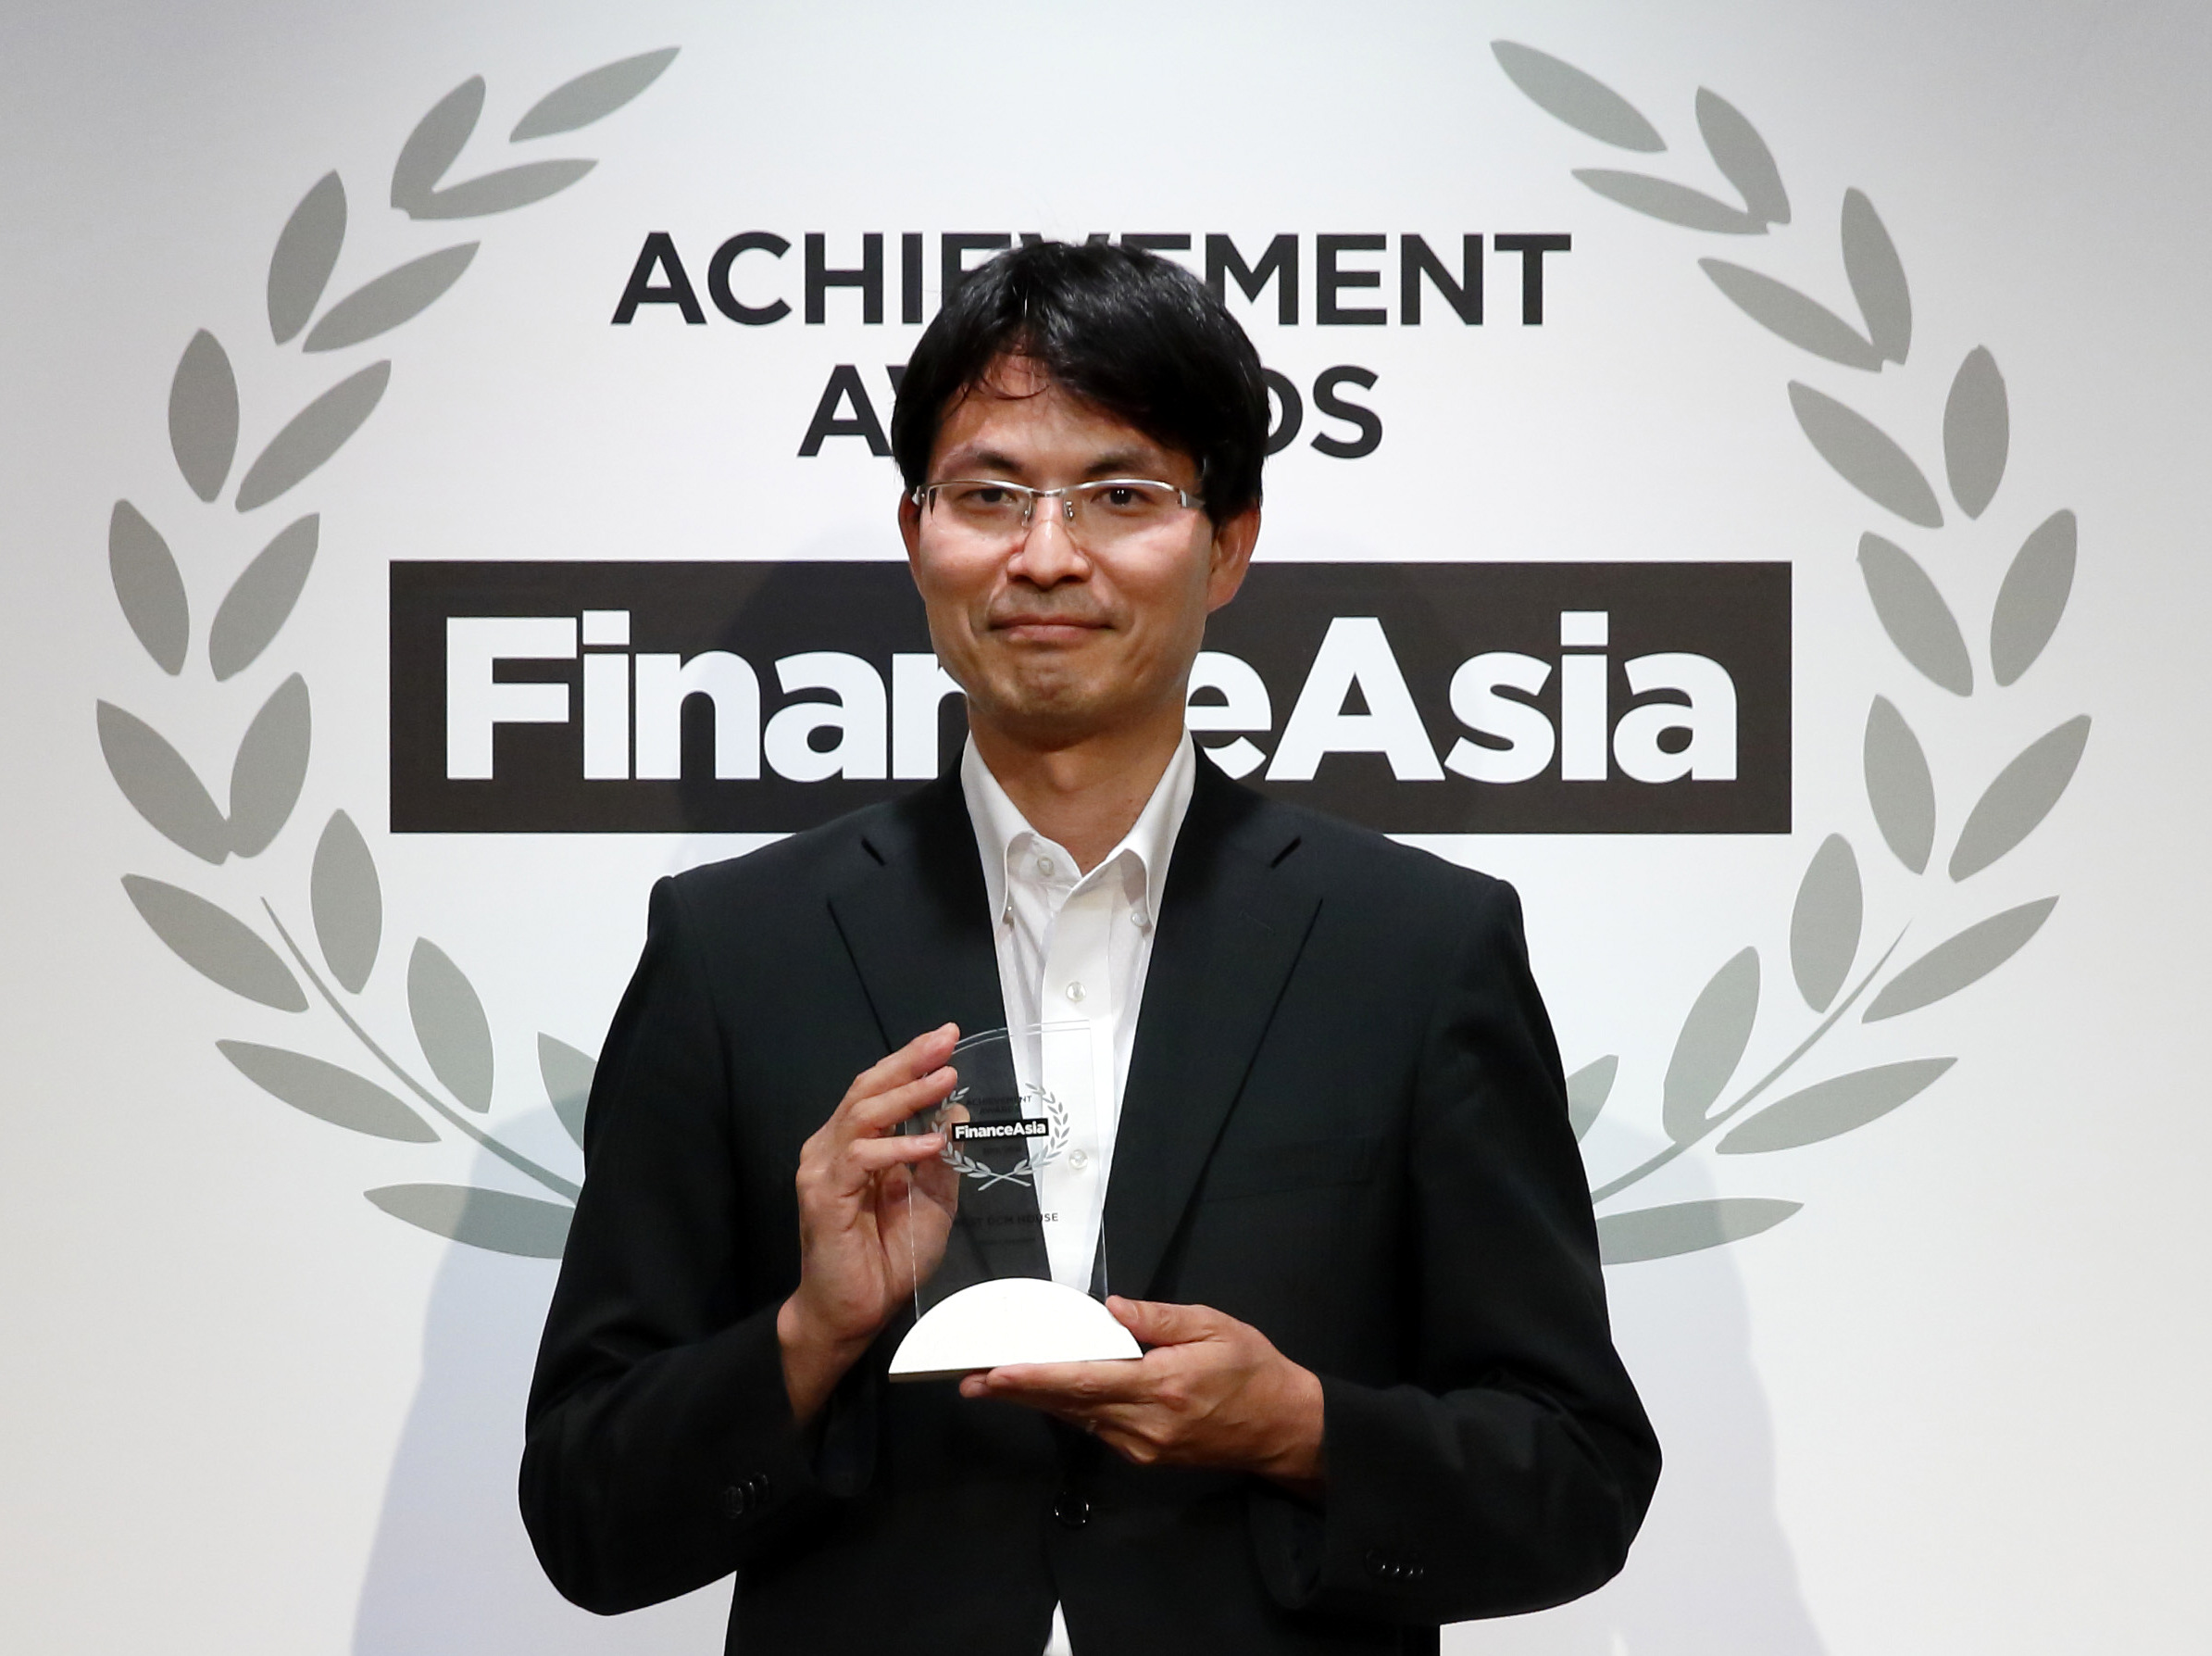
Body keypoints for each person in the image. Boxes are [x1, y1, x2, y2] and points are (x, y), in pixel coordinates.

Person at [520, 241, 1659, 1655]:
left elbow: (1576, 1476)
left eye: (1120, 495)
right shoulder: (735, 946)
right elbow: (584, 1513)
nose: (1046, 555)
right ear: (914, 533)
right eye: (990, 495)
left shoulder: (1416, 948)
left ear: (1227, 542)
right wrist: (810, 1334)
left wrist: (1297, 1426)